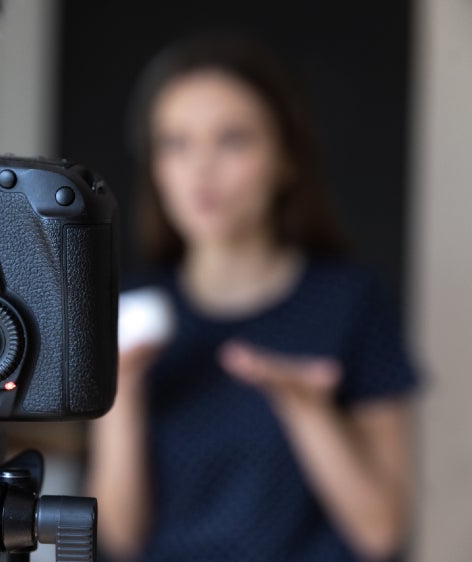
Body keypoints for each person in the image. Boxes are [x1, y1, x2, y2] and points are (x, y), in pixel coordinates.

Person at [86, 35, 420, 562]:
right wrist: (122, 391)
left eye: (233, 140)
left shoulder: (354, 302)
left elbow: (381, 533)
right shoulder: (129, 314)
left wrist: (306, 410)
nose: (201, 169)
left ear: (286, 158)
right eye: (176, 143)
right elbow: (120, 539)